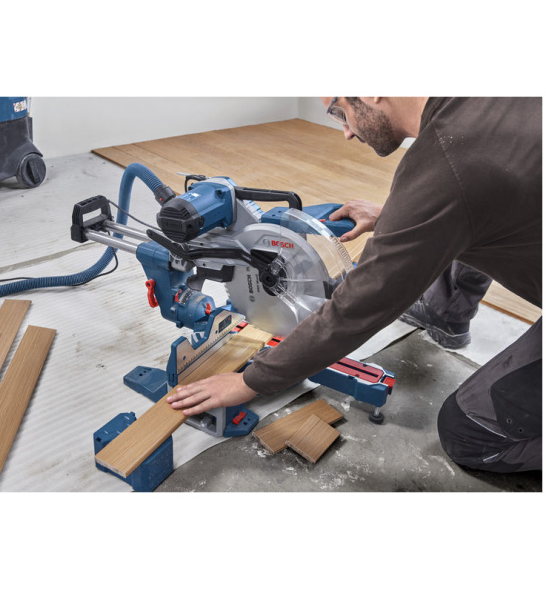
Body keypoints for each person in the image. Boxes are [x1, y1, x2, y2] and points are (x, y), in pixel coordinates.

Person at [167, 97, 542, 473]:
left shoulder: (448, 164)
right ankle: (445, 313)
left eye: (339, 111)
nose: (346, 131)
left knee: (467, 435)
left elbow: (358, 307)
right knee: (470, 217)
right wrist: (398, 217)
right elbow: (467, 194)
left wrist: (250, 382)